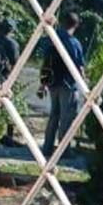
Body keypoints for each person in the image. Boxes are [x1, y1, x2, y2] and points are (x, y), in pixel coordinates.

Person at [39, 11, 85, 156]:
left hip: (52, 82)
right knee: (67, 117)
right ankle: (63, 149)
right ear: (76, 25)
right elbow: (80, 66)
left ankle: (47, 147)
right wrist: (83, 83)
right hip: (68, 84)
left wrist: (43, 83)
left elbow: (45, 61)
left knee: (54, 115)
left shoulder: (52, 38)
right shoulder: (74, 43)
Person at [0, 19, 21, 147]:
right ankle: (8, 136)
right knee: (9, 106)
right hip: (7, 77)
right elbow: (16, 62)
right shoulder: (12, 44)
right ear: (11, 30)